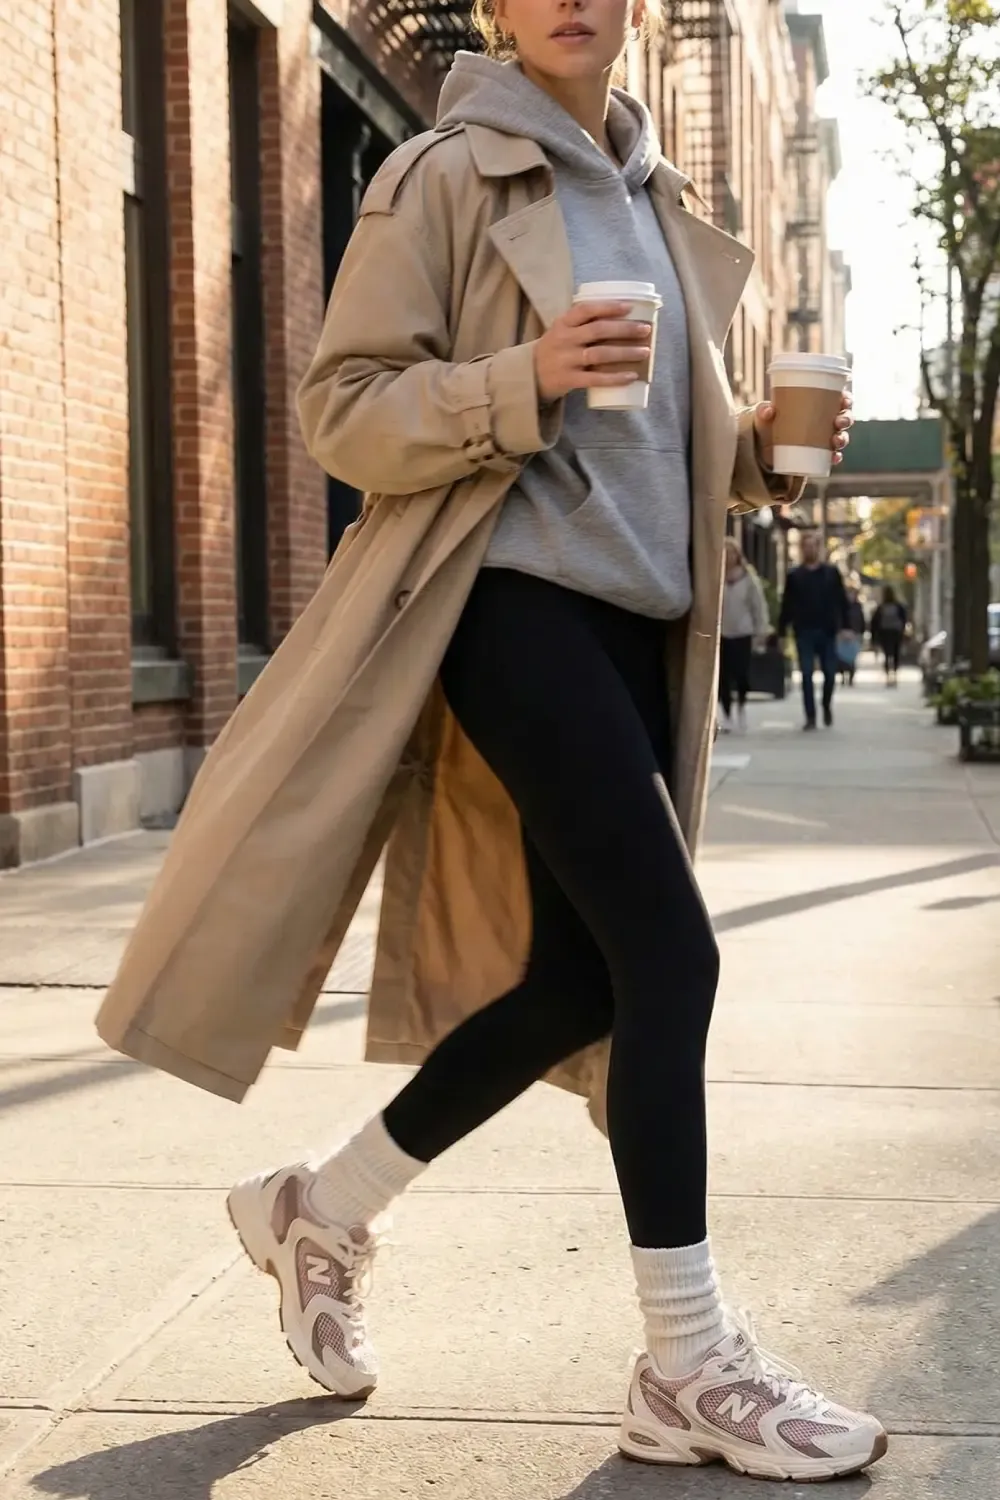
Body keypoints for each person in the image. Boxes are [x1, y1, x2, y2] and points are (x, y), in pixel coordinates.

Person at [96, 0, 876, 1484]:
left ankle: (318, 1205)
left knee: (581, 979)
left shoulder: (660, 201)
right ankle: (688, 1361)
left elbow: (661, 451)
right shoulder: (444, 173)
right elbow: (342, 413)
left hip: (640, 622)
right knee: (674, 959)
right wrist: (524, 376)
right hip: (507, 602)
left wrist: (767, 458)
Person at [778, 533, 850, 730]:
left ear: (819, 548)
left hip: (827, 630)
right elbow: (787, 605)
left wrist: (846, 626)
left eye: (813, 546)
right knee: (807, 674)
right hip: (804, 631)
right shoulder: (794, 576)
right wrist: (782, 632)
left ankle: (826, 704)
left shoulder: (831, 573)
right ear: (802, 549)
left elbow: (842, 601)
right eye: (806, 546)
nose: (810, 549)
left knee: (830, 673)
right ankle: (810, 716)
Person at [719, 537, 769, 733]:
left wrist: (761, 630)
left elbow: (758, 605)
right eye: (725, 552)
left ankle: (741, 707)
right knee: (722, 677)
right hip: (721, 633)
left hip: (742, 633)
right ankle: (726, 714)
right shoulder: (715, 575)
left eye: (732, 553)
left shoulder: (747, 578)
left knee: (741, 674)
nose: (729, 556)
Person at [870, 586, 907, 687]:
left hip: (885, 633)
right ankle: (894, 674)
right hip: (896, 632)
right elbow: (904, 619)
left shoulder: (881, 607)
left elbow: (875, 623)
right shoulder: (898, 607)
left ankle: (887, 675)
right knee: (896, 654)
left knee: (887, 654)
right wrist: (902, 630)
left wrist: (874, 637)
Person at [839, 585, 867, 687]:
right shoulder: (841, 606)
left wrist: (861, 631)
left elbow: (861, 619)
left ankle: (851, 676)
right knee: (842, 656)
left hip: (855, 634)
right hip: (842, 634)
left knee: (852, 657)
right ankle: (843, 675)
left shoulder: (857, 606)